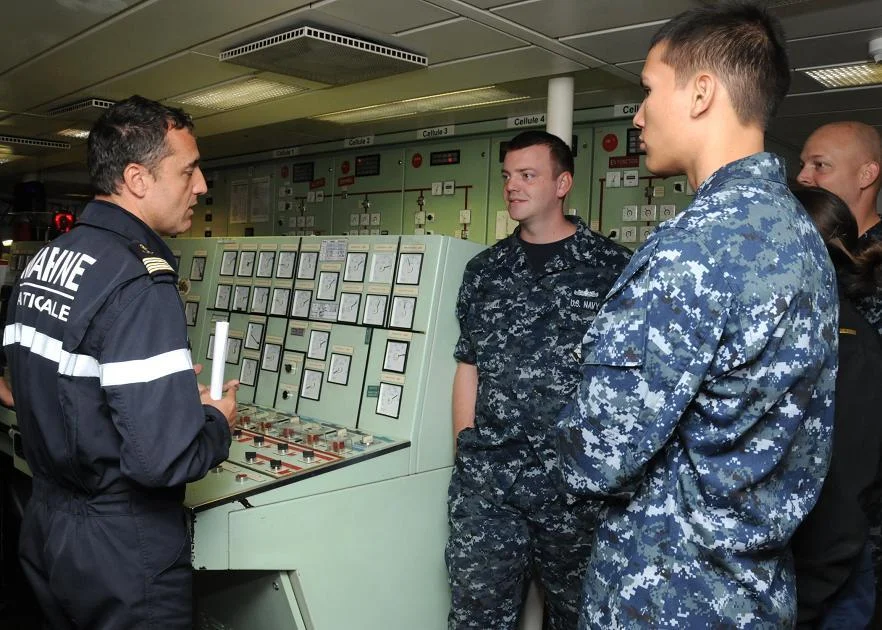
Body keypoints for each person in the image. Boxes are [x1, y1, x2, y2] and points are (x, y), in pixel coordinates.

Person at [556, 2, 838, 628]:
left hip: (668, 596)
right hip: (749, 591)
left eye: (649, 91)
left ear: (702, 92)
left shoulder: (698, 246)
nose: (637, 114)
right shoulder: (799, 233)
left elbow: (599, 453)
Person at [2, 95, 239, 629]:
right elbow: (161, 461)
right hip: (120, 547)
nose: (201, 187)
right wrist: (214, 423)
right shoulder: (140, 283)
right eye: (188, 170)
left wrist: (164, 401)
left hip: (46, 523)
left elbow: (53, 385)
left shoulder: (48, 258)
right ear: (137, 179)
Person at [446, 129, 631, 629]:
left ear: (563, 182)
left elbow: (625, 381)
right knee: (476, 618)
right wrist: (465, 450)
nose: (513, 186)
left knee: (581, 618)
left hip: (575, 492)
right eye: (508, 176)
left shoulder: (611, 269)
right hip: (491, 487)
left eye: (528, 175)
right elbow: (469, 365)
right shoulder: (484, 271)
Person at [790, 187, 882, 629]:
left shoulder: (848, 346)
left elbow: (843, 500)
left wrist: (798, 608)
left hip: (823, 587)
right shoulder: (804, 327)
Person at [797, 122, 882, 338]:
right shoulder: (804, 249)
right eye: (802, 165)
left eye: (820, 165)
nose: (802, 177)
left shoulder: (876, 259)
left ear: (866, 175)